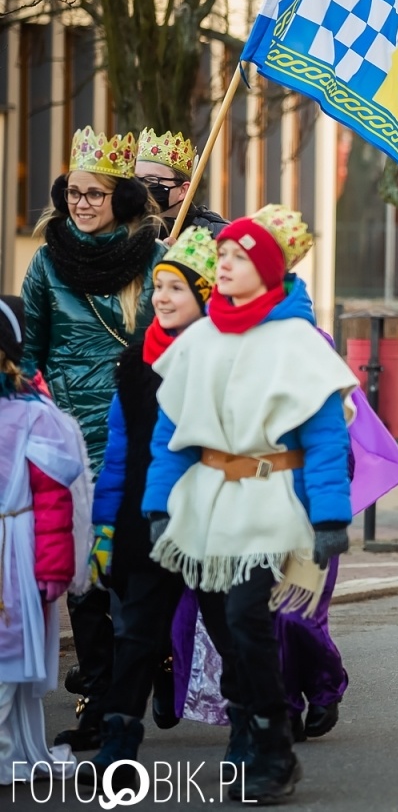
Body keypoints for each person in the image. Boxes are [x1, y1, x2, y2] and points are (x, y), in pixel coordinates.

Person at [142, 204, 357, 801]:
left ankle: (272, 747)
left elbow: (323, 436)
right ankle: (252, 722)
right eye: (223, 256)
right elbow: (171, 432)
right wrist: (159, 503)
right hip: (208, 505)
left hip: (270, 501)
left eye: (237, 257)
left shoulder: (296, 341)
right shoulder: (203, 337)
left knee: (245, 616)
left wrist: (330, 516)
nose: (224, 264)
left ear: (264, 268)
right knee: (224, 626)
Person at [21, 126, 164, 751]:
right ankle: (98, 701)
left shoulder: (154, 257)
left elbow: (171, 341)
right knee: (82, 579)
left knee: (126, 575)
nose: (81, 204)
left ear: (121, 200)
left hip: (134, 434)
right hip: (72, 439)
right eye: (74, 193)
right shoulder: (48, 262)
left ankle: (145, 671)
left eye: (94, 194)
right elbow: (27, 348)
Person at [88, 225, 217, 768]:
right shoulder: (136, 357)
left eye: (177, 289)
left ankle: (259, 738)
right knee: (137, 633)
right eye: (158, 287)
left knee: (232, 635)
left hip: (211, 517)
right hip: (144, 515)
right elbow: (120, 449)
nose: (161, 298)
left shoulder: (223, 355)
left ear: (205, 296)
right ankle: (119, 741)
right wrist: (105, 527)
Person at [0, 295, 91, 780]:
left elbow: (53, 500)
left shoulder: (35, 418)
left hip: (12, 555)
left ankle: (7, 751)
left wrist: (54, 567)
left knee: (7, 657)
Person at [135, 128, 228, 238]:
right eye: (135, 179)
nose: (140, 187)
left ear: (183, 190)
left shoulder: (216, 236)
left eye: (151, 180)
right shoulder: (122, 231)